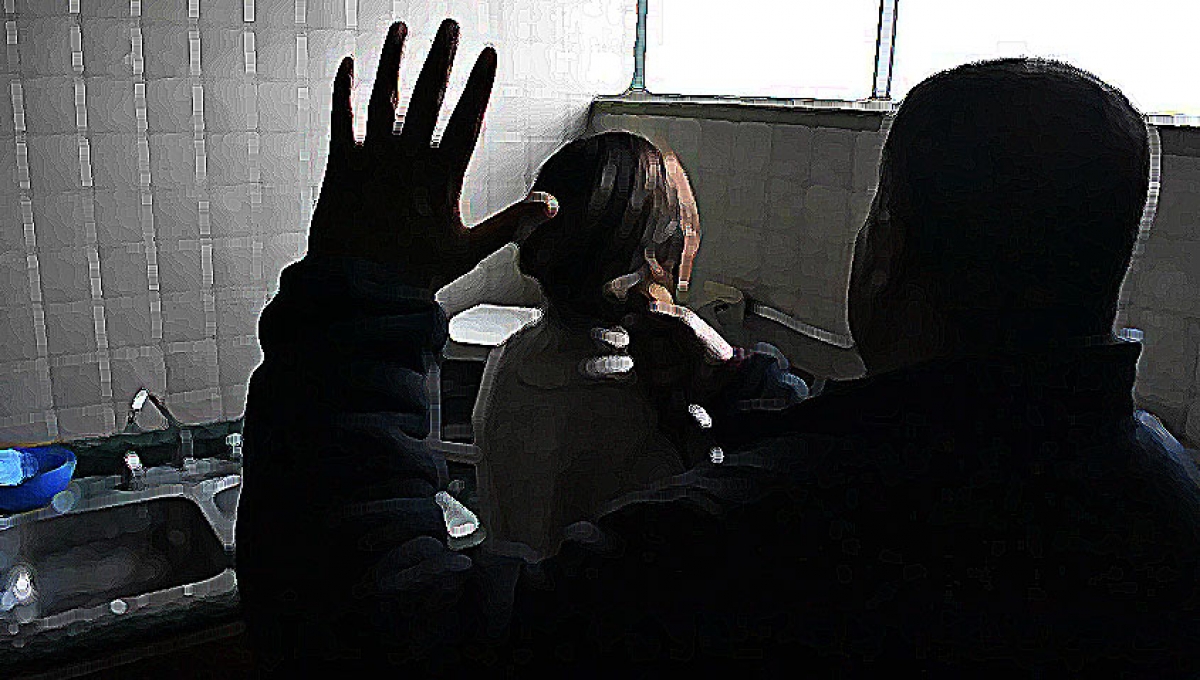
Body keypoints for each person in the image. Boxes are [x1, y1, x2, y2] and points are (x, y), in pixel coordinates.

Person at [235, 18, 1200, 677]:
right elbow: (934, 462)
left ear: (887, 250)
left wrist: (359, 300)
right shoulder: (1164, 498)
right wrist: (743, 385)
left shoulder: (751, 541)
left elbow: (378, 633)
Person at [470, 131, 706, 560]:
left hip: (510, 593)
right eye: (686, 224)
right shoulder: (646, 399)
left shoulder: (512, 357)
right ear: (664, 253)